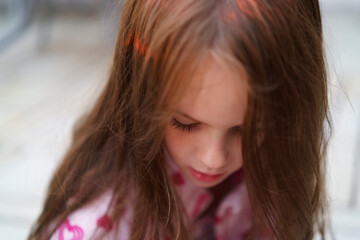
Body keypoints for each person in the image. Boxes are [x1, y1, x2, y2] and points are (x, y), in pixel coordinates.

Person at [28, 0, 334, 239]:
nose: (213, 159)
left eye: (245, 130)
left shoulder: (280, 161)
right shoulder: (99, 226)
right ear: (138, 93)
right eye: (185, 124)